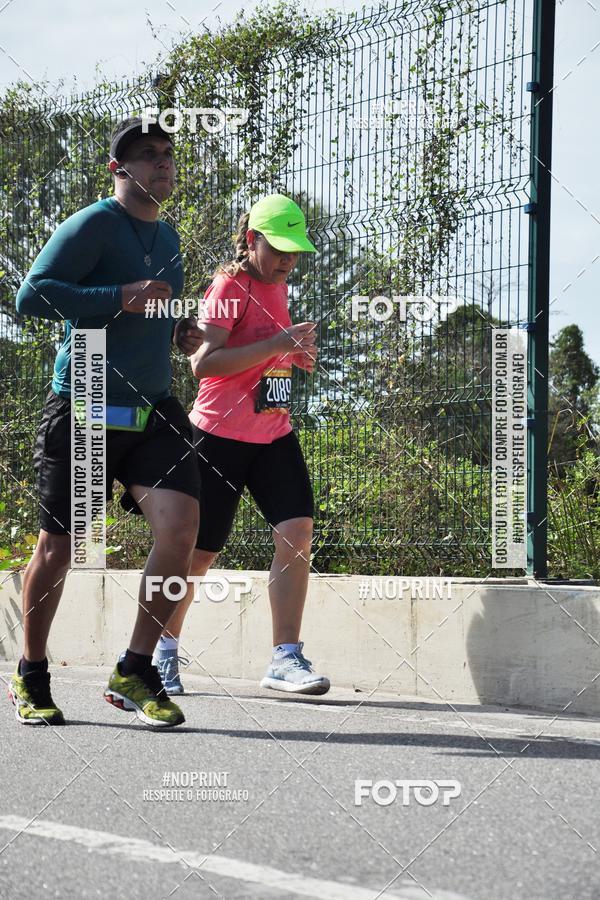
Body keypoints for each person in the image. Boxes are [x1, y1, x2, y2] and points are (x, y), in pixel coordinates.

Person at [8, 116, 203, 728]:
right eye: (147, 156)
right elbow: (31, 296)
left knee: (180, 528)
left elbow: (156, 309)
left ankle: (135, 670)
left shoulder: (169, 237)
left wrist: (180, 332)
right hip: (86, 398)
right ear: (119, 169)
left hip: (153, 406)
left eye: (168, 154)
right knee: (59, 547)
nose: (162, 164)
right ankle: (32, 673)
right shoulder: (95, 224)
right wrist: (116, 296)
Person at [153, 194, 330, 697]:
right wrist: (277, 345)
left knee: (297, 532)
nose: (288, 262)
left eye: (295, 253)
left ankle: (285, 658)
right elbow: (203, 363)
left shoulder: (278, 286)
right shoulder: (230, 285)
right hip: (217, 437)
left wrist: (290, 356)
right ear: (252, 240)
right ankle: (162, 651)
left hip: (273, 431)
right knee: (200, 554)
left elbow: (258, 356)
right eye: (279, 251)